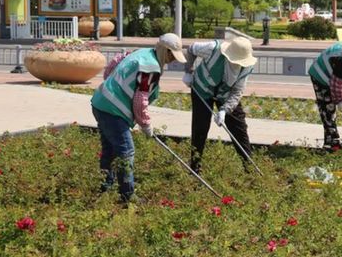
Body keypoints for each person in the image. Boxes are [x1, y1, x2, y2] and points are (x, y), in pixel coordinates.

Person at [91, 33, 186, 201]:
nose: (173, 60)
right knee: (126, 152)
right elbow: (140, 98)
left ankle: (105, 188)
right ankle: (128, 196)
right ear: (165, 51)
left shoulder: (142, 53)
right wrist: (145, 124)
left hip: (100, 103)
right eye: (172, 55)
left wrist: (112, 87)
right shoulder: (151, 67)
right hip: (113, 111)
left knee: (110, 151)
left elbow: (112, 66)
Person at [182, 37, 257, 173]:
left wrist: (225, 110)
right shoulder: (213, 49)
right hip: (202, 90)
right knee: (200, 128)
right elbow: (191, 49)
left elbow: (237, 91)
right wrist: (188, 70)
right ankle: (195, 168)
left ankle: (249, 168)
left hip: (226, 95)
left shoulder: (247, 66)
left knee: (239, 128)